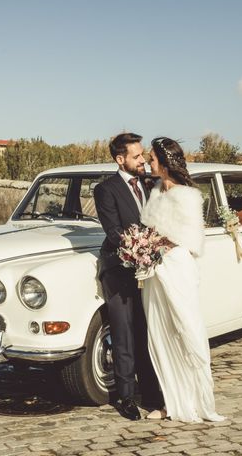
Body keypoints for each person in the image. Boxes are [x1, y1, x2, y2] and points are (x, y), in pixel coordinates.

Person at [140, 137, 225, 423]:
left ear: (164, 165)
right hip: (154, 272)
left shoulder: (188, 195)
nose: (147, 162)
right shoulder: (154, 191)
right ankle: (170, 402)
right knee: (161, 334)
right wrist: (143, 247)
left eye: (152, 159)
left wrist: (158, 245)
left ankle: (196, 402)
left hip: (176, 268)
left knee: (186, 331)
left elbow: (188, 239)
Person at [93, 132, 164, 421]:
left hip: (149, 270)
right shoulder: (106, 189)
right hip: (119, 269)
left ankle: (150, 392)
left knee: (147, 331)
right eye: (136, 156)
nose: (142, 160)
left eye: (142, 154)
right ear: (120, 160)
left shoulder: (150, 184)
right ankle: (125, 397)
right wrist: (138, 250)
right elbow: (113, 232)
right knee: (123, 334)